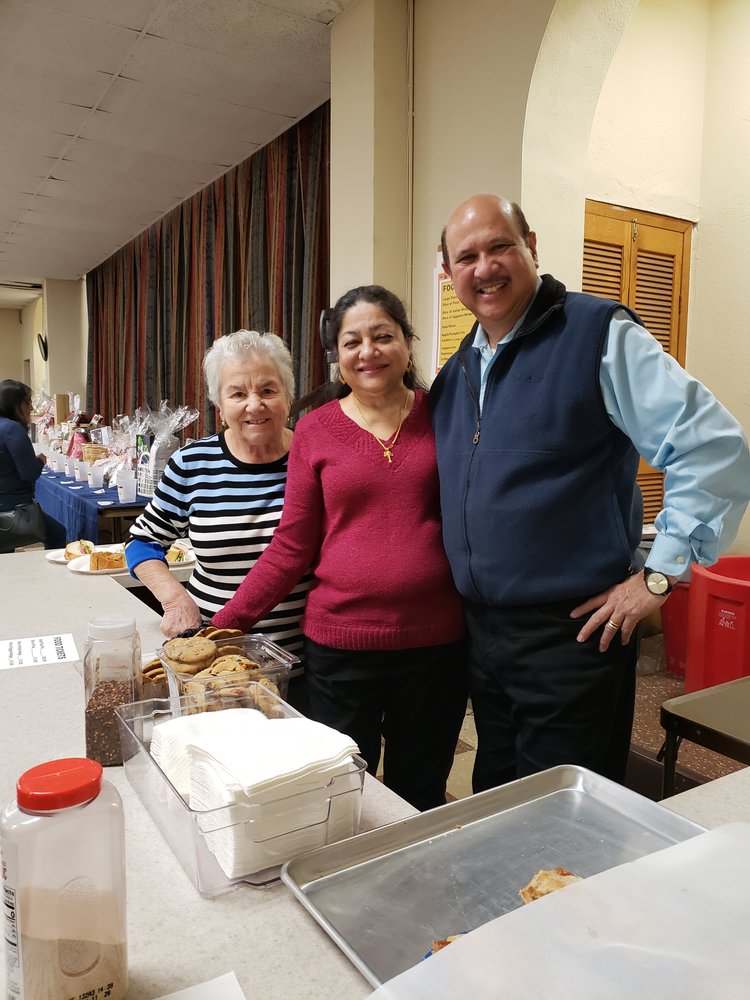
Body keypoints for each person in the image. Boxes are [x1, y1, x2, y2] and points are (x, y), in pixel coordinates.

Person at [431, 193, 750, 793]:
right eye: (466, 256)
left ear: (531, 246)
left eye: (500, 245)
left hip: (574, 633)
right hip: (484, 636)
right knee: (495, 794)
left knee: (562, 816)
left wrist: (658, 576)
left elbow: (713, 446)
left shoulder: (599, 335)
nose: (485, 267)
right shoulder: (458, 372)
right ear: (448, 275)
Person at [211, 286, 467, 811]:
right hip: (341, 646)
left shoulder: (445, 415)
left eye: (382, 336)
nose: (368, 351)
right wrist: (227, 624)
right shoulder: (315, 429)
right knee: (342, 790)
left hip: (436, 646)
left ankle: (410, 888)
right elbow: (292, 544)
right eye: (352, 341)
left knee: (419, 789)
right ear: (337, 357)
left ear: (407, 344)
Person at [125, 330, 311, 659]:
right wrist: (174, 598)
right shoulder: (191, 464)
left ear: (288, 396)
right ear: (220, 407)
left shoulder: (314, 459)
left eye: (268, 389)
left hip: (305, 660)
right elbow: (141, 542)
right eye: (237, 393)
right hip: (213, 654)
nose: (255, 404)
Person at [0, 379, 66, 551]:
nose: (30, 408)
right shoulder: (12, 429)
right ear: (15, 404)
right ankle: (50, 577)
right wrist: (40, 461)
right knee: (57, 534)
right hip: (15, 507)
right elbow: (29, 473)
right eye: (27, 402)